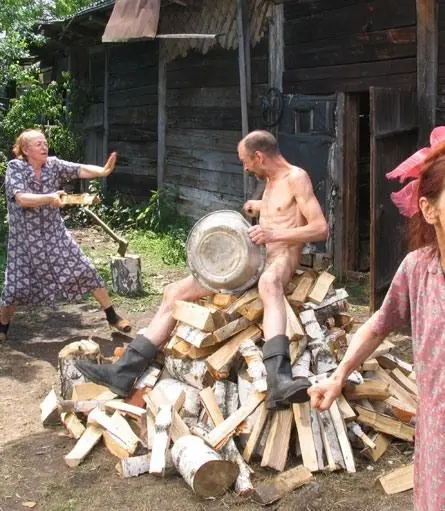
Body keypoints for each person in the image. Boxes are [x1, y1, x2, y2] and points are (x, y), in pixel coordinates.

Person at [76, 130, 328, 409]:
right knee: (174, 292)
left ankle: (279, 380)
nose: (245, 168)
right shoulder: (269, 181)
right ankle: (124, 372)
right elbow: (282, 210)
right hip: (254, 260)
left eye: (245, 161)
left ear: (259, 156)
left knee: (269, 284)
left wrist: (273, 234)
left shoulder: (296, 177)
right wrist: (258, 206)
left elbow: (320, 228)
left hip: (281, 258)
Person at [308, 127, 445, 511]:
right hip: (438, 439)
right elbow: (378, 325)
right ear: (429, 210)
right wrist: (339, 375)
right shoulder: (418, 270)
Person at [0, 128, 131, 344]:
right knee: (15, 287)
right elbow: (22, 199)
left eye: (45, 143)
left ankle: (112, 316)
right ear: (25, 150)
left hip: (55, 234)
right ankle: (3, 326)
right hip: (24, 241)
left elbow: (79, 169)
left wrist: (102, 171)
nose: (44, 147)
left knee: (85, 269)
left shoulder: (53, 165)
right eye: (38, 144)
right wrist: (50, 197)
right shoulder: (16, 168)